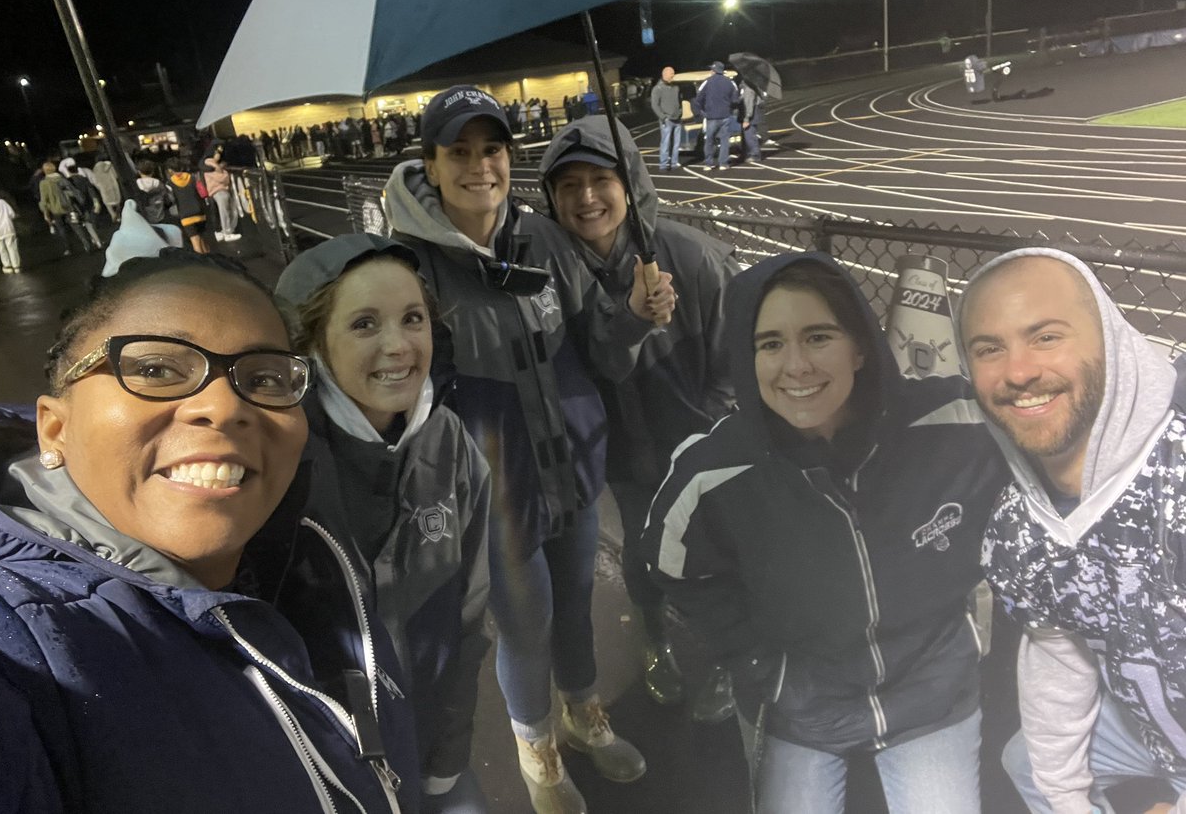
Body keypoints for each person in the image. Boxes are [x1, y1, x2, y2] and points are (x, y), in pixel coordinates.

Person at [0, 248, 420, 813]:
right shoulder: (15, 645)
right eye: (156, 370)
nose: (223, 405)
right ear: (54, 427)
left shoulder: (310, 560)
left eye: (263, 377)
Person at [382, 85, 675, 814]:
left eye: (493, 149)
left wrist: (635, 318)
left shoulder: (543, 238)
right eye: (460, 151)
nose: (480, 167)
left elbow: (600, 353)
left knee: (576, 603)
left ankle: (584, 714)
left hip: (573, 470)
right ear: (430, 162)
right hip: (497, 487)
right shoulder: (408, 265)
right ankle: (536, 752)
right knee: (523, 624)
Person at [643, 252, 1009, 814]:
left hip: (932, 694)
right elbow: (673, 567)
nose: (796, 366)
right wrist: (761, 664)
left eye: (818, 337)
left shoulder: (955, 427)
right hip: (803, 704)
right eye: (769, 344)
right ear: (745, 357)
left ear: (860, 345)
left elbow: (1059, 414)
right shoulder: (714, 474)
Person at [957, 248, 1186, 814]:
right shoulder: (1018, 528)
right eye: (990, 349)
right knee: (1029, 765)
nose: (1018, 372)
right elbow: (1059, 660)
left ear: (1110, 338)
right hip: (1155, 727)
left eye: (1046, 336)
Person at [275, 234, 492, 814]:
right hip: (330, 764)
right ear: (313, 343)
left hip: (428, 738)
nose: (399, 346)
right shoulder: (282, 458)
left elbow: (469, 615)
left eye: (413, 318)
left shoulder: (451, 443)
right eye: (365, 324)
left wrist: (449, 756)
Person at [539, 115, 739, 717]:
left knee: (722, 547)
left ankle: (735, 655)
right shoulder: (549, 273)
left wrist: (715, 426)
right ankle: (655, 640)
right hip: (621, 452)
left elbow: (735, 356)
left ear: (632, 182)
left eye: (602, 178)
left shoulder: (692, 255)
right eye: (568, 185)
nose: (587, 198)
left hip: (698, 443)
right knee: (642, 549)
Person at [37, 161, 92, 255]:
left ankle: (69, 248)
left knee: (61, 229)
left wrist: (45, 213)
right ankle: (87, 244)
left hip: (55, 209)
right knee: (76, 226)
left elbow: (44, 199)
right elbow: (72, 191)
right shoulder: (62, 179)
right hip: (69, 206)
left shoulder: (44, 183)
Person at [692, 62, 739, 171]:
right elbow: (735, 99)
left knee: (709, 140)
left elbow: (698, 99)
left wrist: (702, 112)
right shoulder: (730, 82)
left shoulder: (707, 82)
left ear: (714, 71)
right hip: (725, 115)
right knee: (724, 141)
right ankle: (723, 163)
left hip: (711, 117)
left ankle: (708, 163)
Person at [165, 158, 211, 254]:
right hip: (200, 212)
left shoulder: (169, 184)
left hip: (186, 216)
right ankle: (210, 259)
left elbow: (170, 200)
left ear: (170, 170)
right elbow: (204, 193)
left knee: (195, 242)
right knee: (202, 239)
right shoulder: (193, 178)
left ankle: (203, 265)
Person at [201, 142, 241, 241]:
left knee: (225, 211)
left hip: (217, 191)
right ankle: (228, 232)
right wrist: (225, 173)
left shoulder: (209, 163)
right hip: (219, 190)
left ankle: (225, 231)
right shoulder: (210, 163)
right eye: (218, 151)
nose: (219, 154)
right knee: (225, 212)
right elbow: (222, 178)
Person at [651, 66, 685, 171]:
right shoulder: (658, 89)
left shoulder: (676, 87)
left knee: (676, 143)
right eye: (672, 74)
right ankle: (663, 164)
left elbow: (679, 101)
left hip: (677, 119)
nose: (673, 76)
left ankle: (674, 162)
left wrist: (680, 112)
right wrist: (663, 117)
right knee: (665, 143)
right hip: (667, 120)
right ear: (665, 74)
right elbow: (655, 105)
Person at [0, 183, 21, 274]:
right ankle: (16, 266)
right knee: (12, 246)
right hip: (7, 227)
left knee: (1, 247)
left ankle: (7, 265)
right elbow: (11, 214)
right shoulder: (2, 202)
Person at [738, 78, 763, 165]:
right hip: (750, 116)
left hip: (750, 117)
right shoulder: (749, 88)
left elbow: (749, 106)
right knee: (747, 136)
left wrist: (746, 119)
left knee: (750, 137)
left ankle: (755, 155)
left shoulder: (748, 90)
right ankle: (746, 154)